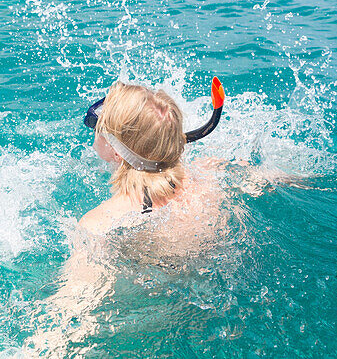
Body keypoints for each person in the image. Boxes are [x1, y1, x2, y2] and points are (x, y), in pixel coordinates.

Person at [28, 79, 303, 354]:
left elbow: (72, 309)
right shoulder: (212, 173)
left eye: (99, 126)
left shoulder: (101, 222)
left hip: (162, 320)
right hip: (226, 300)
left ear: (115, 151)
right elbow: (273, 178)